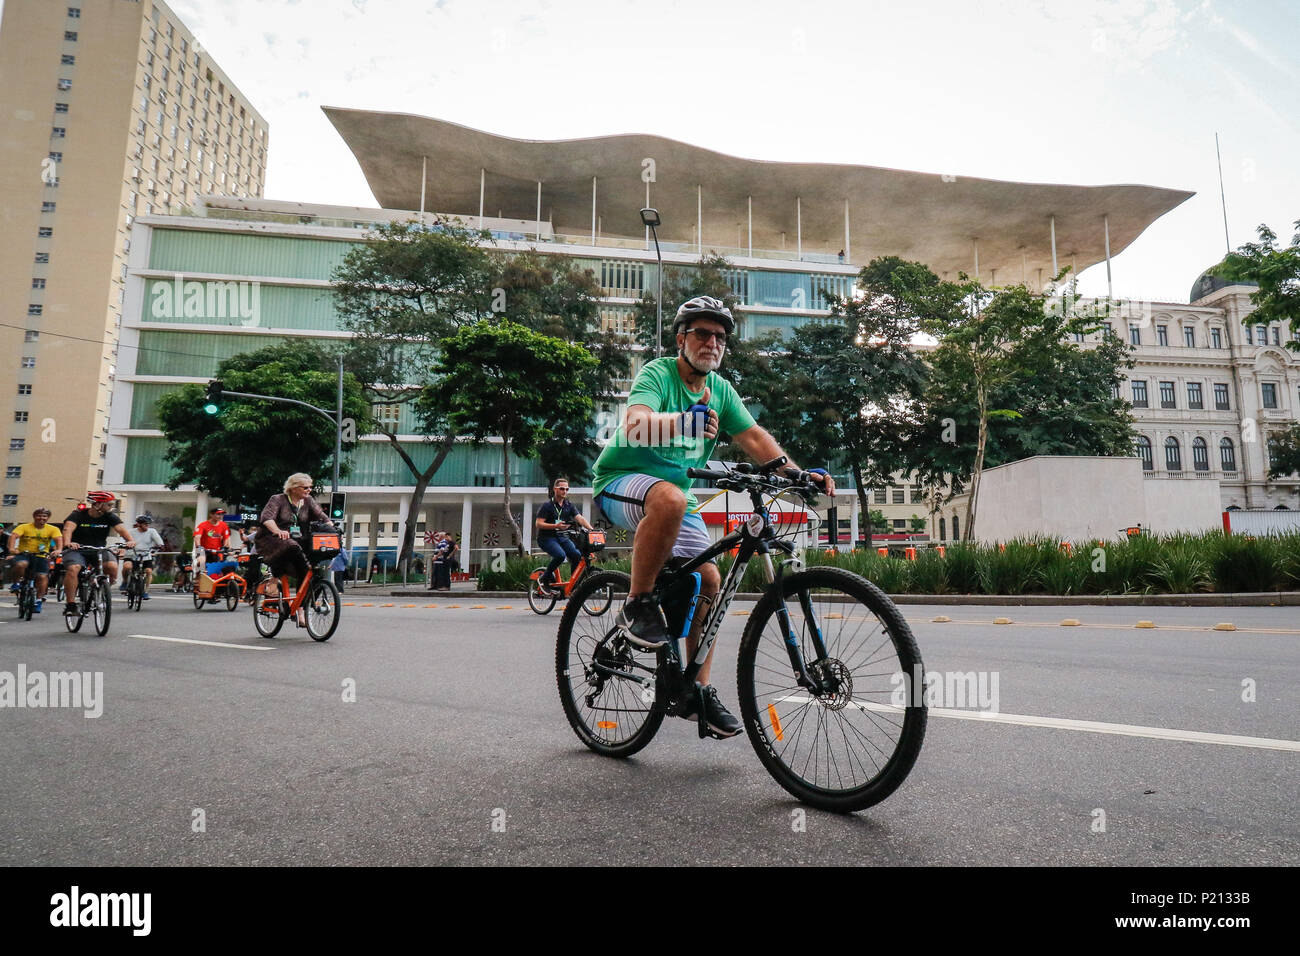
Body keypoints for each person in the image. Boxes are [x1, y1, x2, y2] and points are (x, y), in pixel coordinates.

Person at [591, 295, 834, 738]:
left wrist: (797, 475)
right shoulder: (657, 374)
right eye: (702, 333)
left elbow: (755, 437)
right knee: (670, 499)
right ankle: (637, 603)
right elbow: (634, 425)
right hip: (620, 481)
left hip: (674, 496)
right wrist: (682, 422)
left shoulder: (720, 390)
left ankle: (695, 693)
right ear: (682, 338)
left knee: (709, 578)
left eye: (720, 337)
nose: (712, 343)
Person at [254, 473, 329, 623]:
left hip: (299, 542)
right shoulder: (278, 499)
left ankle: (300, 610)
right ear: (294, 488)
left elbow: (322, 517)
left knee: (309, 569)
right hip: (272, 540)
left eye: (310, 487)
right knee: (291, 545)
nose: (309, 490)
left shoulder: (308, 501)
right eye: (305, 487)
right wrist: (278, 531)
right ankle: (274, 579)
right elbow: (267, 518)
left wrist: (333, 529)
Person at [61, 492, 136, 616]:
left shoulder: (110, 516)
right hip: (77, 549)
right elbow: (68, 529)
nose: (111, 507)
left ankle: (101, 588)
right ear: (97, 504)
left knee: (112, 567)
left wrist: (130, 541)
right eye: (109, 504)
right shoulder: (78, 515)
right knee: (73, 569)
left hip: (99, 549)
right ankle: (71, 605)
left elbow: (121, 529)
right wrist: (68, 543)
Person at [535, 476, 594, 594]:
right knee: (560, 556)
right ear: (555, 489)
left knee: (576, 555)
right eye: (562, 489)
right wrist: (555, 526)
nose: (565, 491)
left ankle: (574, 583)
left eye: (567, 489)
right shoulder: (548, 506)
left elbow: (580, 518)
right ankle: (544, 578)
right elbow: (538, 523)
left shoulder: (569, 505)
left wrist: (592, 530)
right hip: (547, 538)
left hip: (562, 537)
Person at [7, 508, 62, 613]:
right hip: (24, 554)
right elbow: (14, 536)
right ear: (34, 516)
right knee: (21, 564)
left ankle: (38, 600)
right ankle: (16, 583)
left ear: (48, 518)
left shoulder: (53, 529)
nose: (42, 518)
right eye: (39, 515)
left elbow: (58, 539)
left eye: (44, 516)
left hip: (41, 556)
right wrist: (12, 549)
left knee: (42, 576)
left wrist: (58, 550)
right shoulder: (24, 527)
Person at [119, 515, 165, 600]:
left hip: (145, 555)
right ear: (139, 524)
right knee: (127, 566)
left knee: (148, 571)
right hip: (131, 554)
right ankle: (125, 582)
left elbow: (159, 543)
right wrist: (122, 549)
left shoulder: (152, 531)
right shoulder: (130, 532)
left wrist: (157, 548)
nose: (147, 526)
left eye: (148, 524)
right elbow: (122, 542)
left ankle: (145, 591)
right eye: (145, 524)